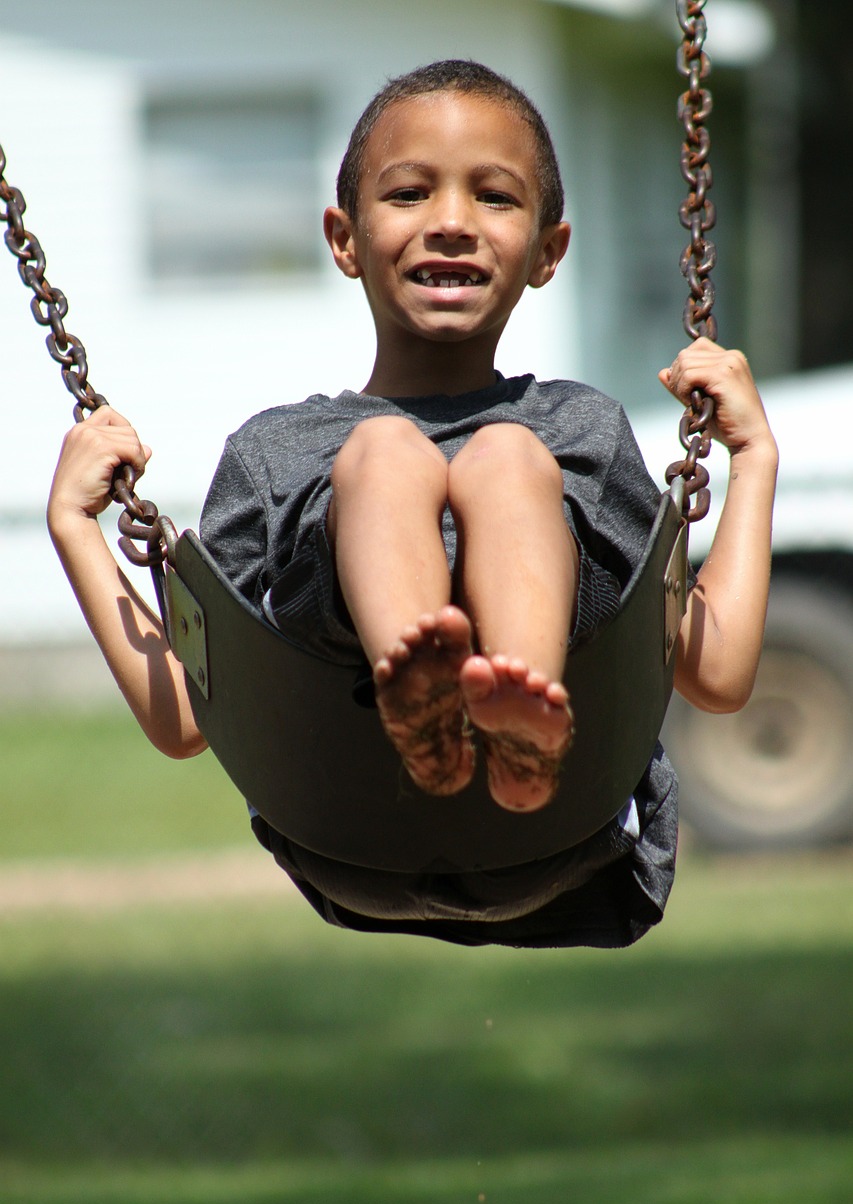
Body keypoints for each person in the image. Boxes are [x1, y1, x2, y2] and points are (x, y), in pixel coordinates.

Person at [47, 60, 778, 948]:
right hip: (352, 814)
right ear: (345, 237)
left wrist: (752, 456)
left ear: (548, 251)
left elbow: (717, 671)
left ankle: (518, 719)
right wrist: (74, 525)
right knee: (383, 452)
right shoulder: (277, 451)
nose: (451, 223)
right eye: (408, 192)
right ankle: (418, 690)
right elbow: (187, 716)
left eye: (495, 198)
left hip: (548, 819)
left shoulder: (577, 428)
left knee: (508, 456)